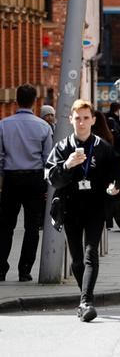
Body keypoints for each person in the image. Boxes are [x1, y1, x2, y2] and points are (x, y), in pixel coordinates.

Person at [45, 99, 120, 322]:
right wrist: (67, 165)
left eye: (86, 118)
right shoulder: (61, 148)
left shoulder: (103, 148)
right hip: (70, 207)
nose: (81, 122)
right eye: (77, 118)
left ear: (93, 120)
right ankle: (84, 299)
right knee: (77, 259)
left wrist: (114, 187)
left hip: (95, 207)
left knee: (91, 253)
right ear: (70, 119)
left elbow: (116, 175)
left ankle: (86, 301)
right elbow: (52, 179)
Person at [0, 84, 53, 282]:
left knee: (5, 225)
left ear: (16, 100)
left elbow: (0, 157)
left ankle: (1, 269)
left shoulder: (4, 125)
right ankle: (25, 270)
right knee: (32, 226)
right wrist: (48, 185)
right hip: (35, 178)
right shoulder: (43, 127)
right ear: (35, 102)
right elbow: (48, 159)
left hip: (11, 178)